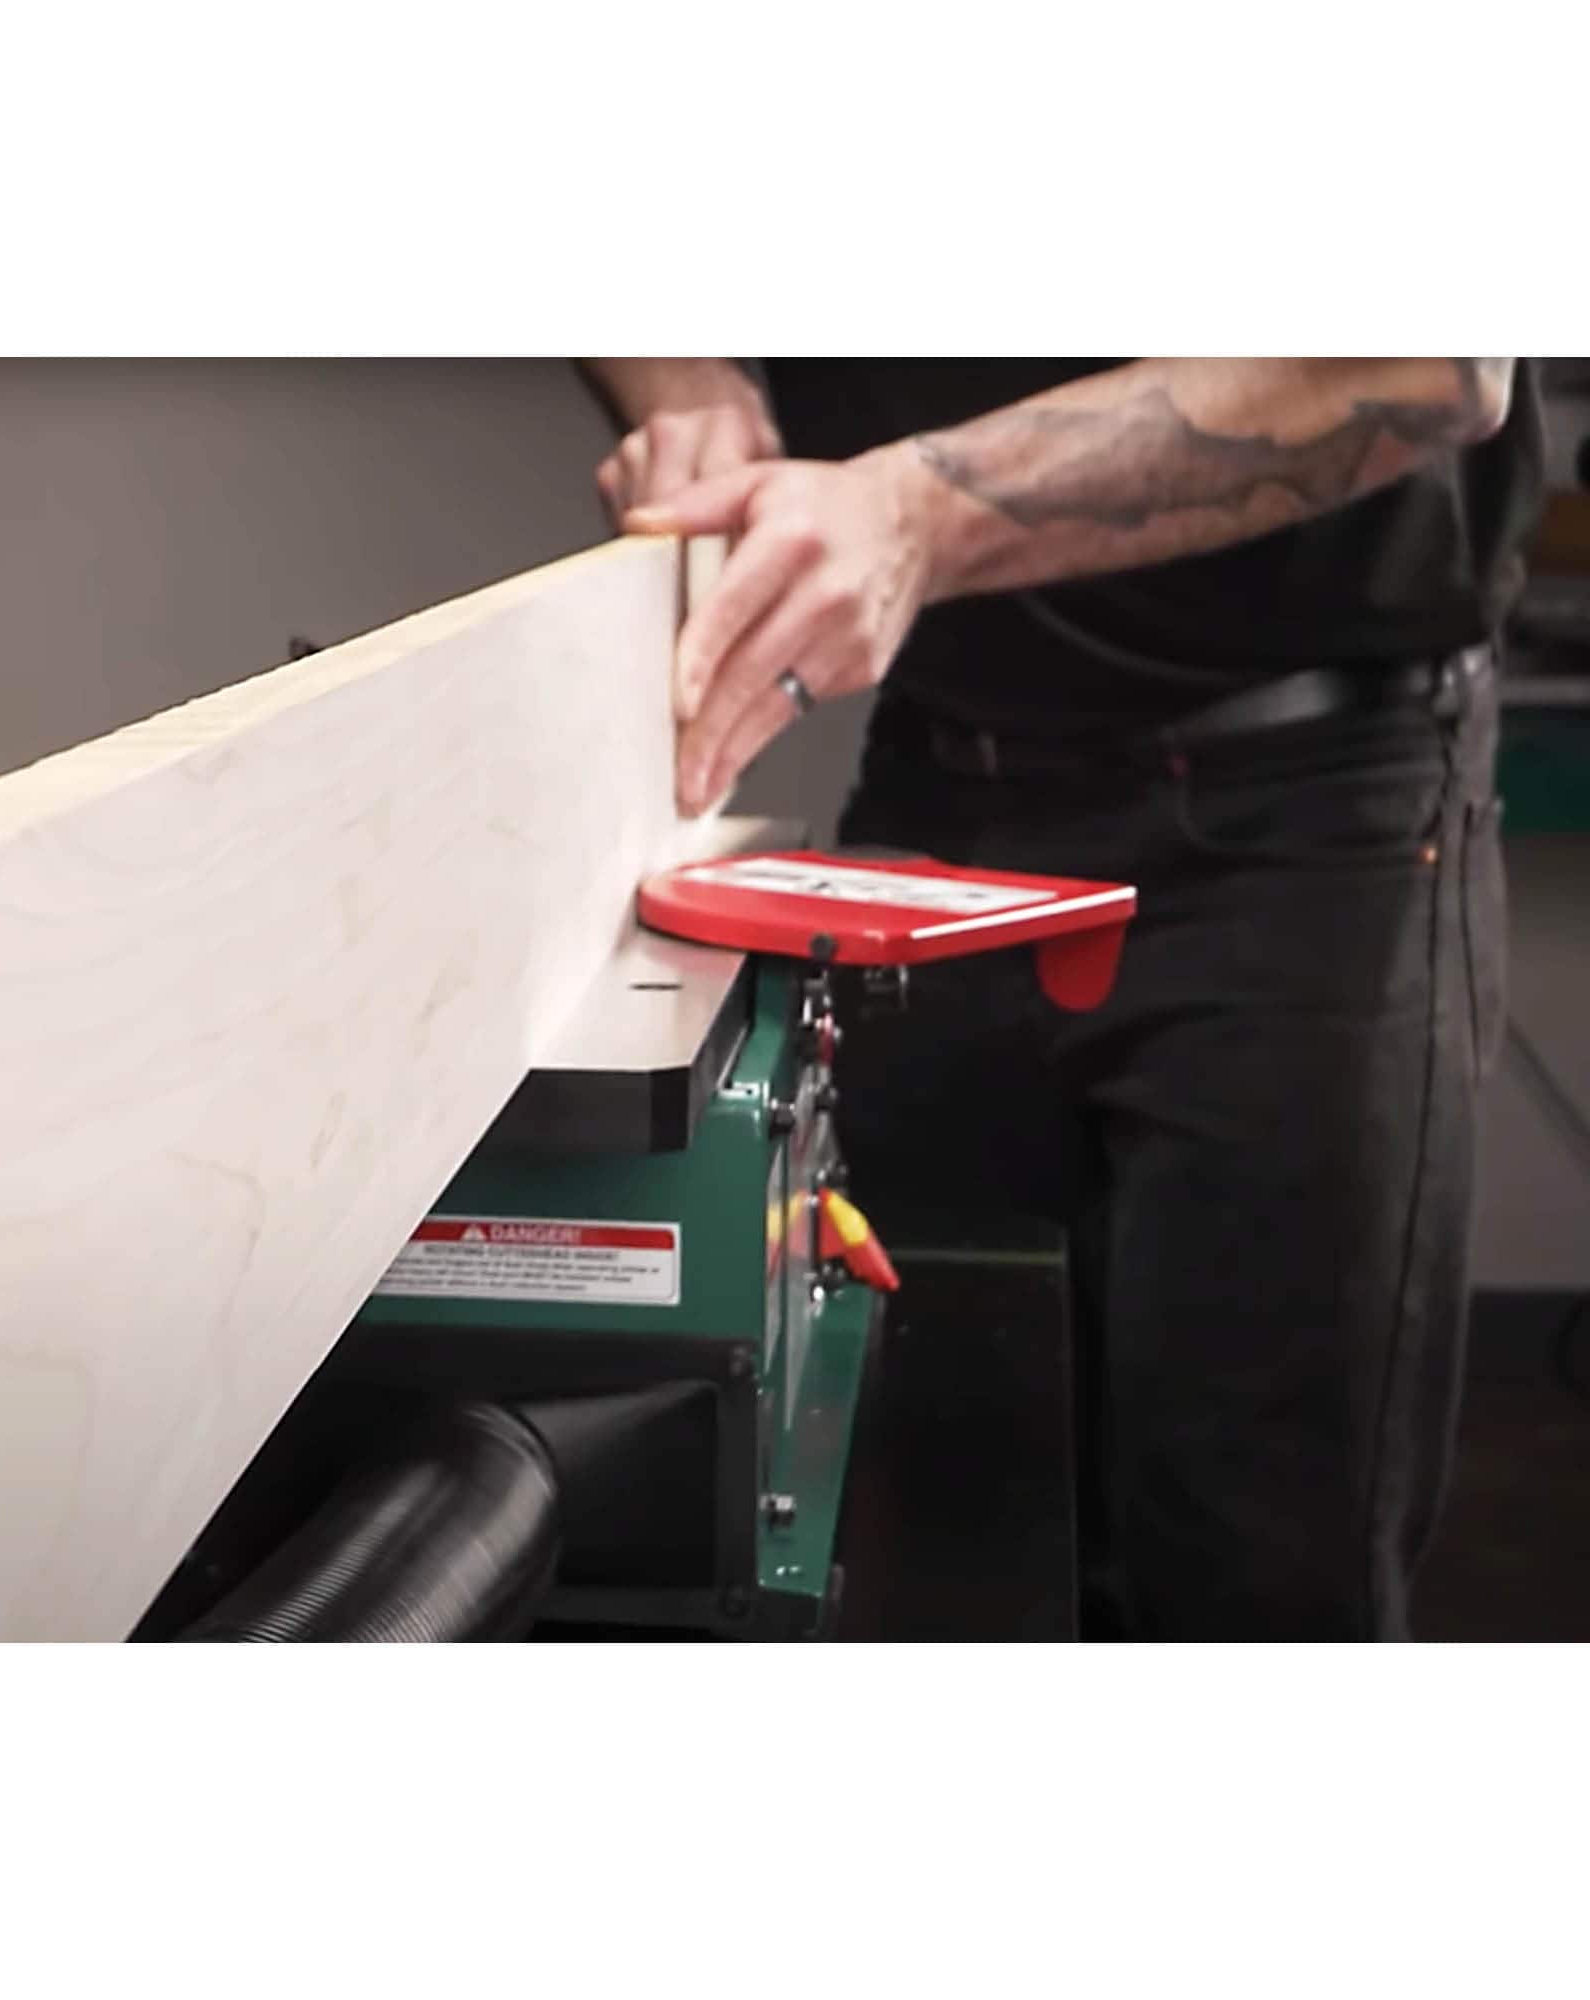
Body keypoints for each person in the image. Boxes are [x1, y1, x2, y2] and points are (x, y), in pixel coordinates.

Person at [578, 358, 1543, 1640]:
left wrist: (917, 514)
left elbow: (1426, 361)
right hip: (943, 786)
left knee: (1256, 1577)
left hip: (1307, 803)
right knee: (917, 1511)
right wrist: (685, 379)